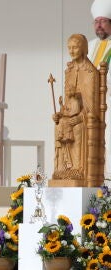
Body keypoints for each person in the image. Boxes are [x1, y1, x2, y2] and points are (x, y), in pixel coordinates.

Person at [52, 34, 101, 182]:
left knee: (77, 128)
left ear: (83, 48)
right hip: (71, 117)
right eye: (69, 48)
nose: (71, 51)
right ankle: (63, 169)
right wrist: (60, 114)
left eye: (75, 47)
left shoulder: (91, 72)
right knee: (59, 125)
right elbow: (69, 104)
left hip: (86, 119)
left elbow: (92, 106)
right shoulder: (70, 71)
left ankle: (78, 169)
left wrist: (80, 118)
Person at [89, 0, 111, 177]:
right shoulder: (88, 46)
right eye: (96, 22)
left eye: (103, 21)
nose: (99, 26)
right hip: (91, 105)